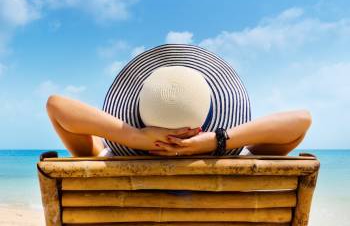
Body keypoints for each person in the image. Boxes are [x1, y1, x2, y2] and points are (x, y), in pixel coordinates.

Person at [46, 44, 312, 157]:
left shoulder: (109, 157)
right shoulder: (239, 159)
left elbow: (56, 106)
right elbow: (300, 121)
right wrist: (216, 141)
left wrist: (135, 138)